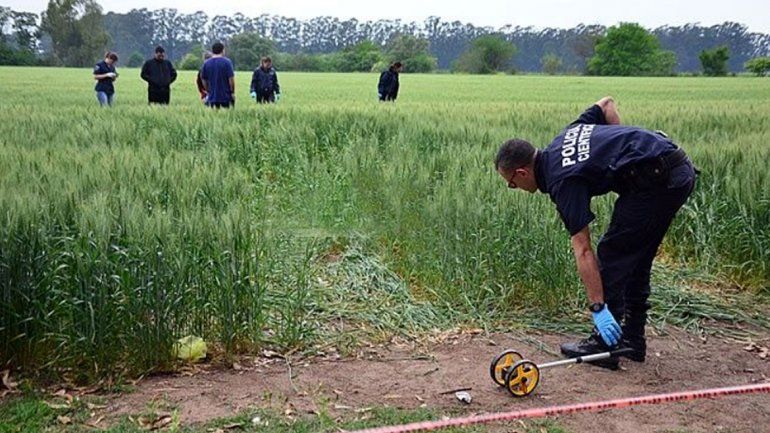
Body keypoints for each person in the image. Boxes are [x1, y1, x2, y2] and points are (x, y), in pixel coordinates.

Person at [494, 96, 697, 370]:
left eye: (511, 183)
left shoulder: (562, 181)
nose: (514, 188)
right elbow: (606, 104)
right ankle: (632, 340)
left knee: (612, 254)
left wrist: (598, 309)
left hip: (658, 180)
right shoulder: (564, 137)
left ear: (521, 172)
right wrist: (623, 150)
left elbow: (583, 249)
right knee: (636, 256)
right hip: (672, 169)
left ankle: (605, 345)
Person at [200, 42, 235, 108]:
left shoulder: (206, 63)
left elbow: (203, 79)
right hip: (225, 96)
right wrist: (232, 92)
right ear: (222, 50)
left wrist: (208, 90)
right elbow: (231, 79)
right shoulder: (227, 62)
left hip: (212, 96)